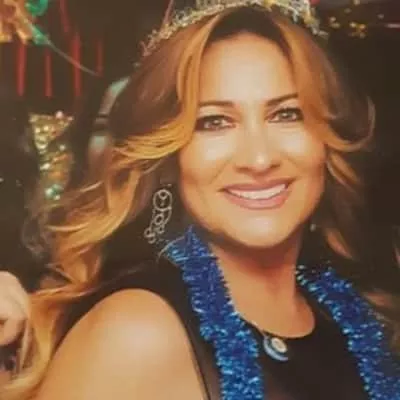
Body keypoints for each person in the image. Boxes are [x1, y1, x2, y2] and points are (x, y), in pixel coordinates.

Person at [5, 1, 400, 399]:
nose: (259, 158)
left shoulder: (355, 317)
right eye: (214, 122)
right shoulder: (137, 333)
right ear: (168, 156)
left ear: (327, 139)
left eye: (287, 114)